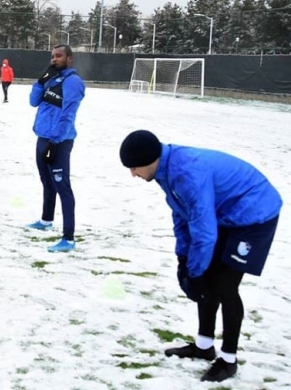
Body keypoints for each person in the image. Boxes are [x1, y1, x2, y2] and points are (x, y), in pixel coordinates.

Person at [119, 130, 282, 383]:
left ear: (150, 159)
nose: (133, 174)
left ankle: (228, 360)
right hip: (225, 214)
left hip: (254, 213)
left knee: (224, 285)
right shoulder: (164, 169)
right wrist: (184, 259)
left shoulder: (187, 173)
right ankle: (204, 346)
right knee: (205, 278)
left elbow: (204, 232)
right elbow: (182, 215)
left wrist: (194, 271)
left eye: (134, 167)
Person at [27, 45, 86, 253]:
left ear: (70, 59)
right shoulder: (51, 78)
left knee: (63, 187)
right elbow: (33, 102)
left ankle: (68, 238)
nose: (54, 59)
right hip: (43, 137)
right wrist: (41, 81)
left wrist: (55, 141)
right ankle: (46, 220)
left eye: (59, 56)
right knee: (47, 181)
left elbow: (68, 115)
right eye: (52, 56)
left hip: (59, 142)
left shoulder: (73, 82)